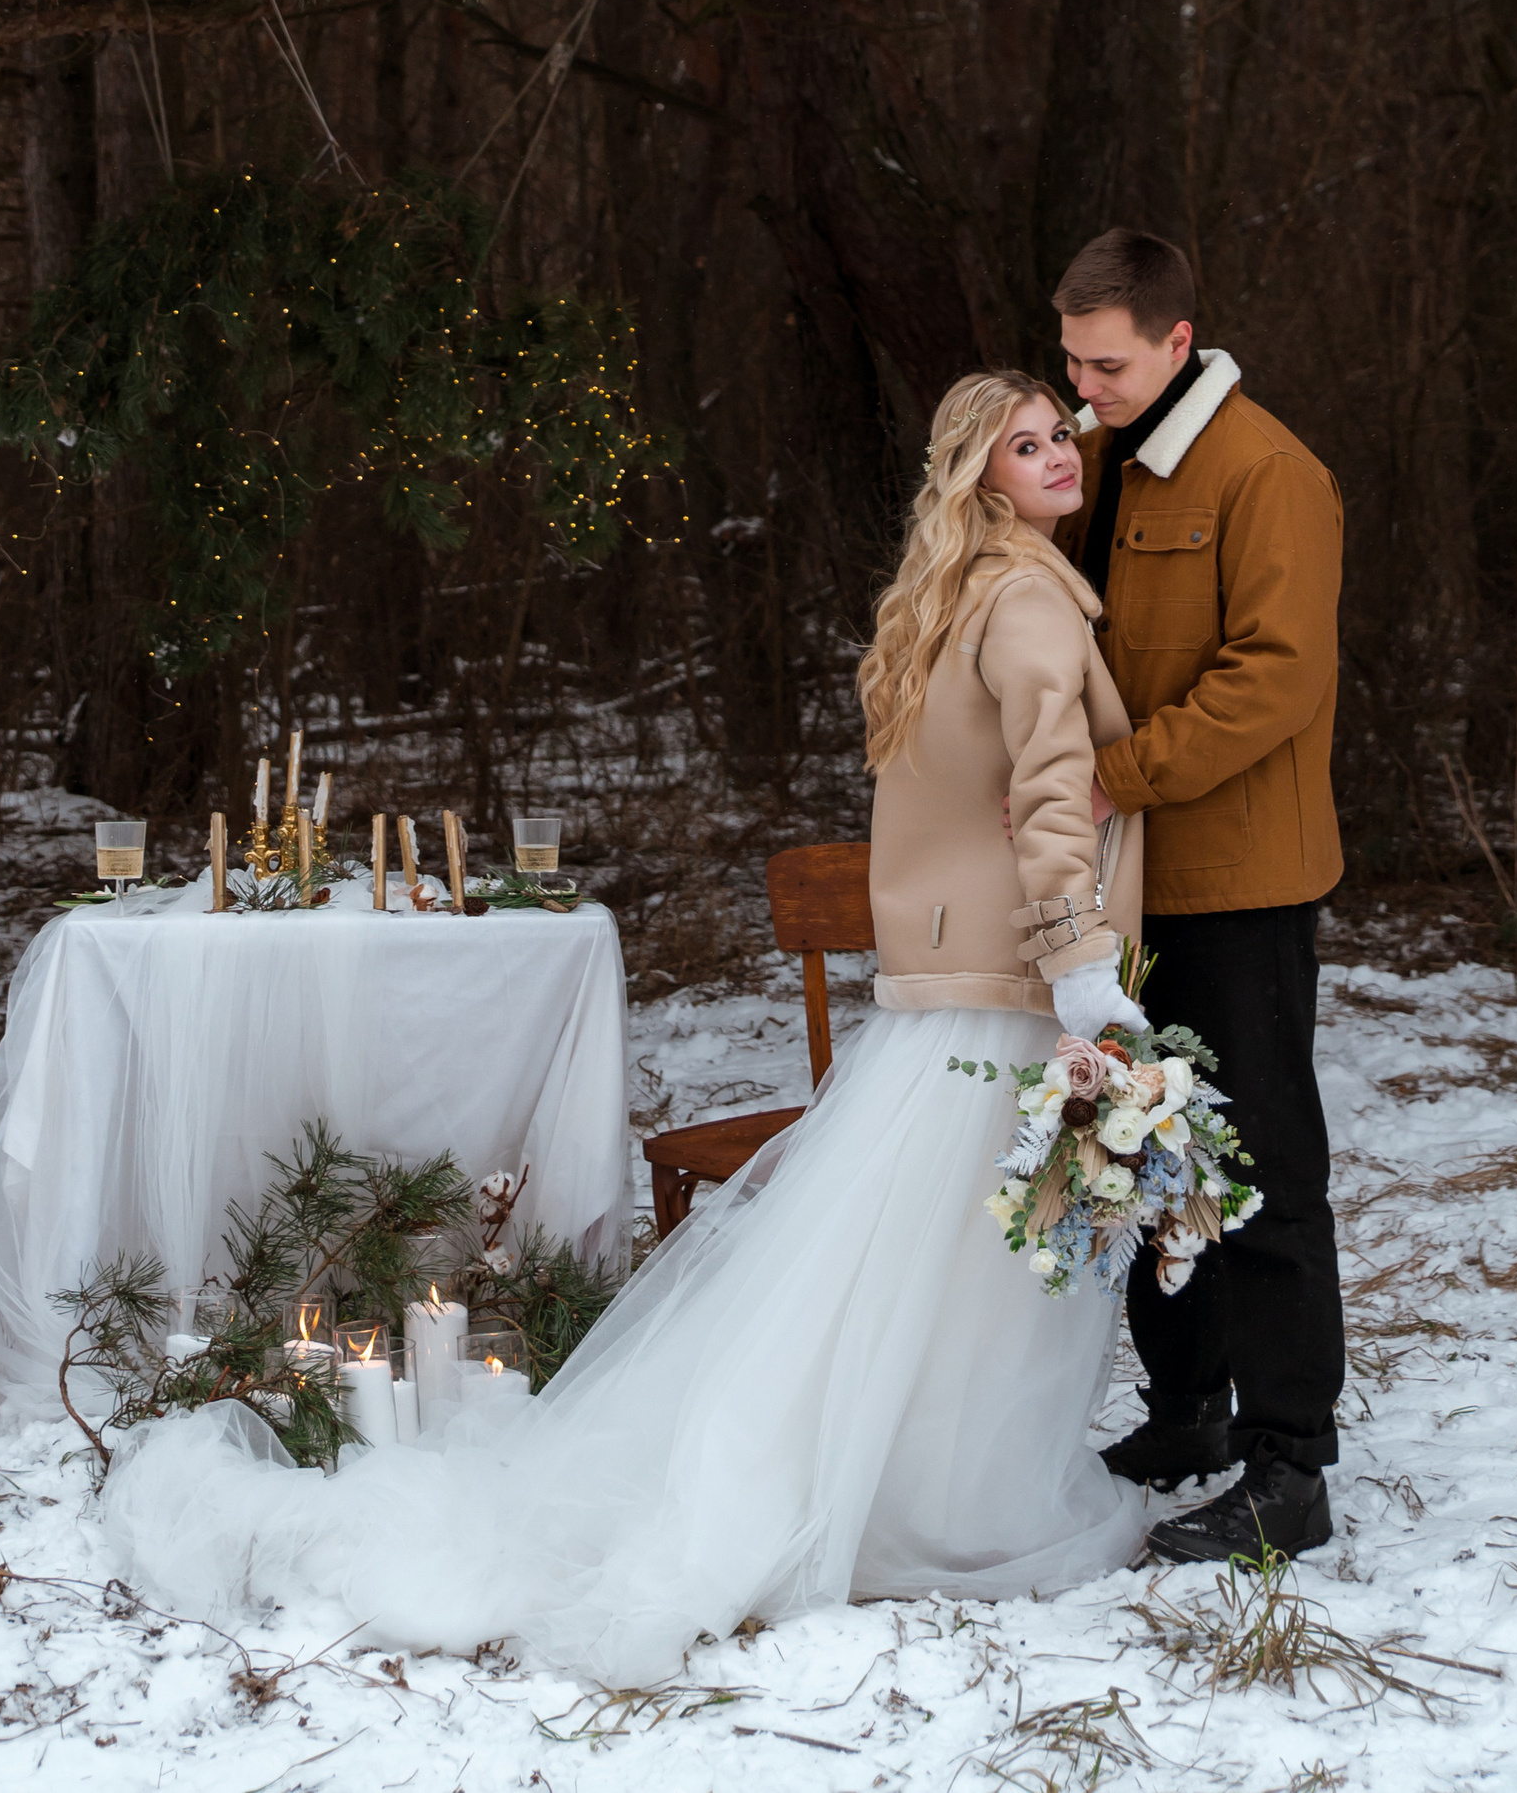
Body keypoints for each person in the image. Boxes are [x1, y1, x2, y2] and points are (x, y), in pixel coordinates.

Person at [94, 371, 1146, 1676]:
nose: (1056, 456)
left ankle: (907, 1484)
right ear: (977, 475)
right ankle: (950, 1508)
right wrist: (1083, 965)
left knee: (910, 1267)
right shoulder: (1035, 601)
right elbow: (1051, 797)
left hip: (946, 988)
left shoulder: (952, 599)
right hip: (1011, 985)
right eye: (1024, 443)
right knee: (979, 1268)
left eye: (1062, 435)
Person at [1054, 225, 1346, 1565]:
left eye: (1106, 364)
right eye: (1071, 360)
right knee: (1145, 1152)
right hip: (1133, 883)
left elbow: (1277, 674)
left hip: (1238, 878)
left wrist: (1118, 774)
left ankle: (1291, 1470)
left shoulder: (1268, 472)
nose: (1083, 387)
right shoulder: (1102, 457)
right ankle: (1189, 1414)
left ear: (1178, 344)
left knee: (1263, 1170)